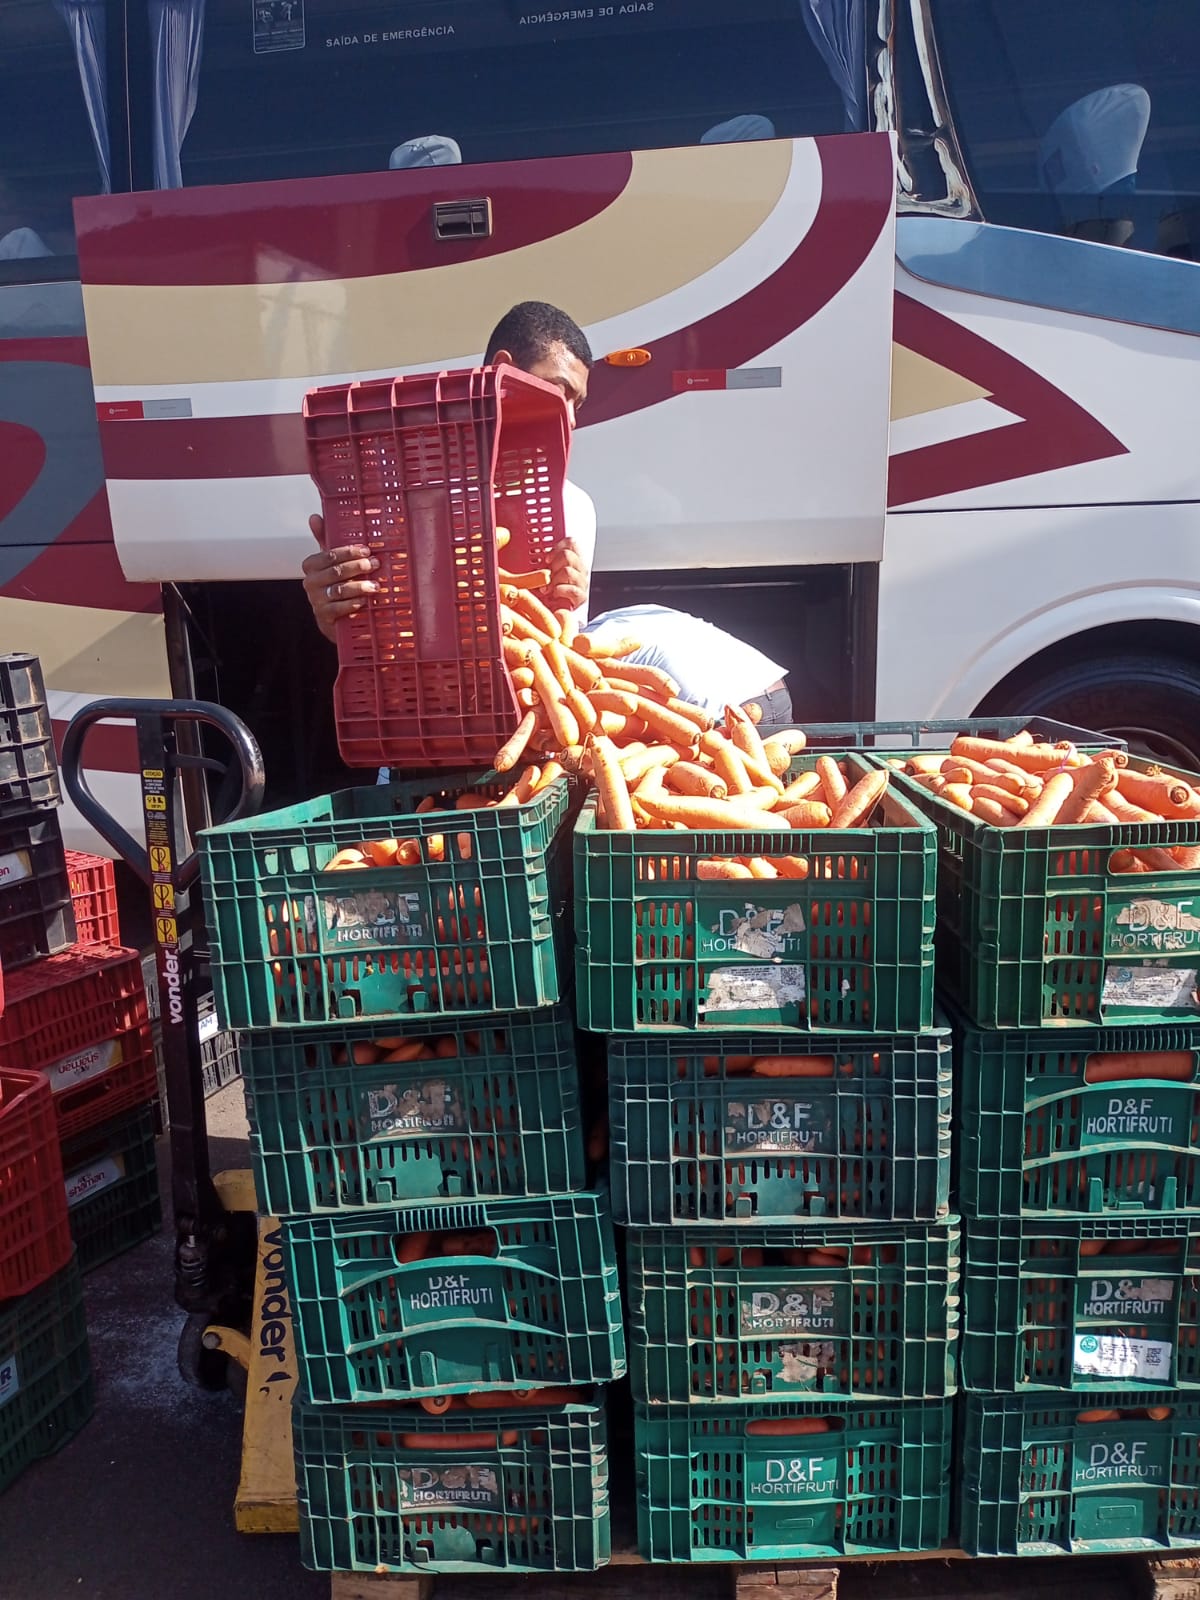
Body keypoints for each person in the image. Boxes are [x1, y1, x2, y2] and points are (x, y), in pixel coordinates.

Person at [301, 300, 791, 720]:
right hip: (429, 708)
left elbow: (549, 663)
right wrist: (339, 619)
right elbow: (390, 642)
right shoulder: (401, 491)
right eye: (561, 390)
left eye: (579, 403)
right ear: (503, 370)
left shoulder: (571, 506)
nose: (570, 418)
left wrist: (564, 607)